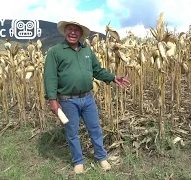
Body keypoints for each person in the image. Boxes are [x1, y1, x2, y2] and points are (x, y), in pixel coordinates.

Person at [43, 18, 130, 174]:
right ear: (65, 31)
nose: (72, 32)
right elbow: (50, 77)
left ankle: (101, 157)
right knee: (72, 131)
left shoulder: (87, 51)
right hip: (67, 100)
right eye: (69, 29)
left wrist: (113, 77)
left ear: (81, 33)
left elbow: (97, 70)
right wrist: (52, 100)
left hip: (88, 98)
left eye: (76, 30)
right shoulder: (55, 52)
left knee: (95, 128)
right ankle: (78, 161)